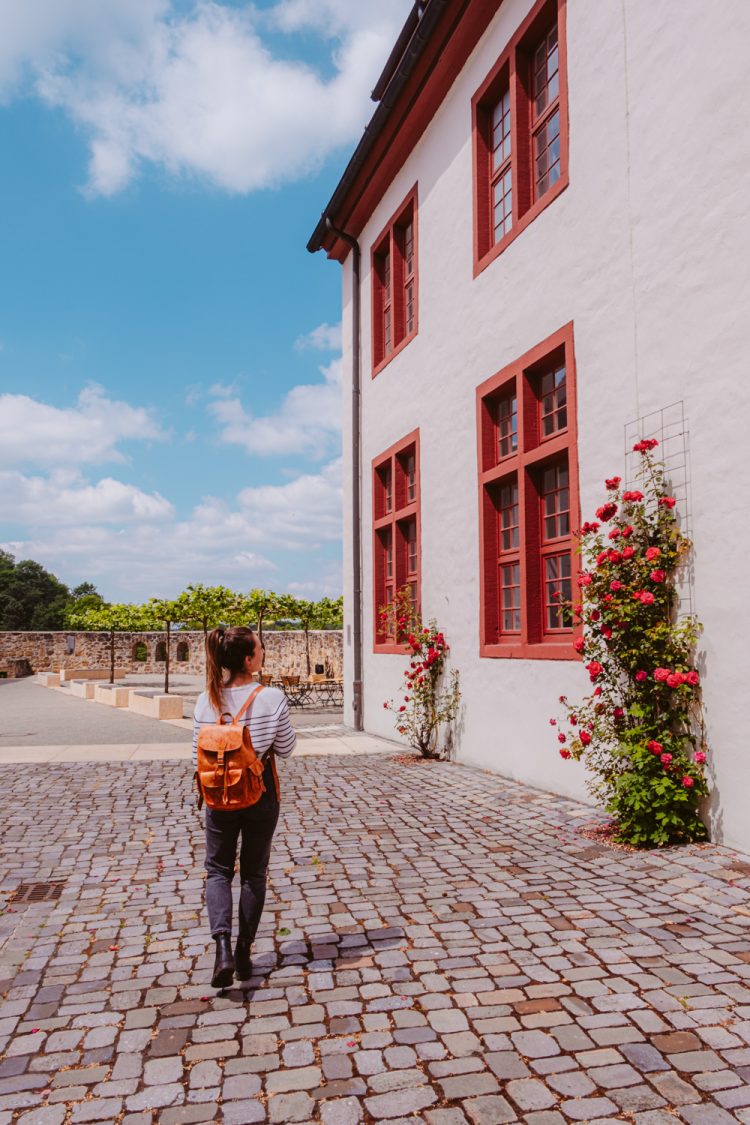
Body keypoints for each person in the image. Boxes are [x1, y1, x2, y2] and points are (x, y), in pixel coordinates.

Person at [193, 625, 296, 988]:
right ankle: (243, 953)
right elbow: (285, 748)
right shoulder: (271, 698)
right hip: (259, 792)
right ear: (249, 660)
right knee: (254, 873)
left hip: (218, 795)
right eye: (260, 648)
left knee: (218, 871)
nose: (263, 652)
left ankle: (221, 947)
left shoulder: (206, 699)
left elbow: (197, 753)